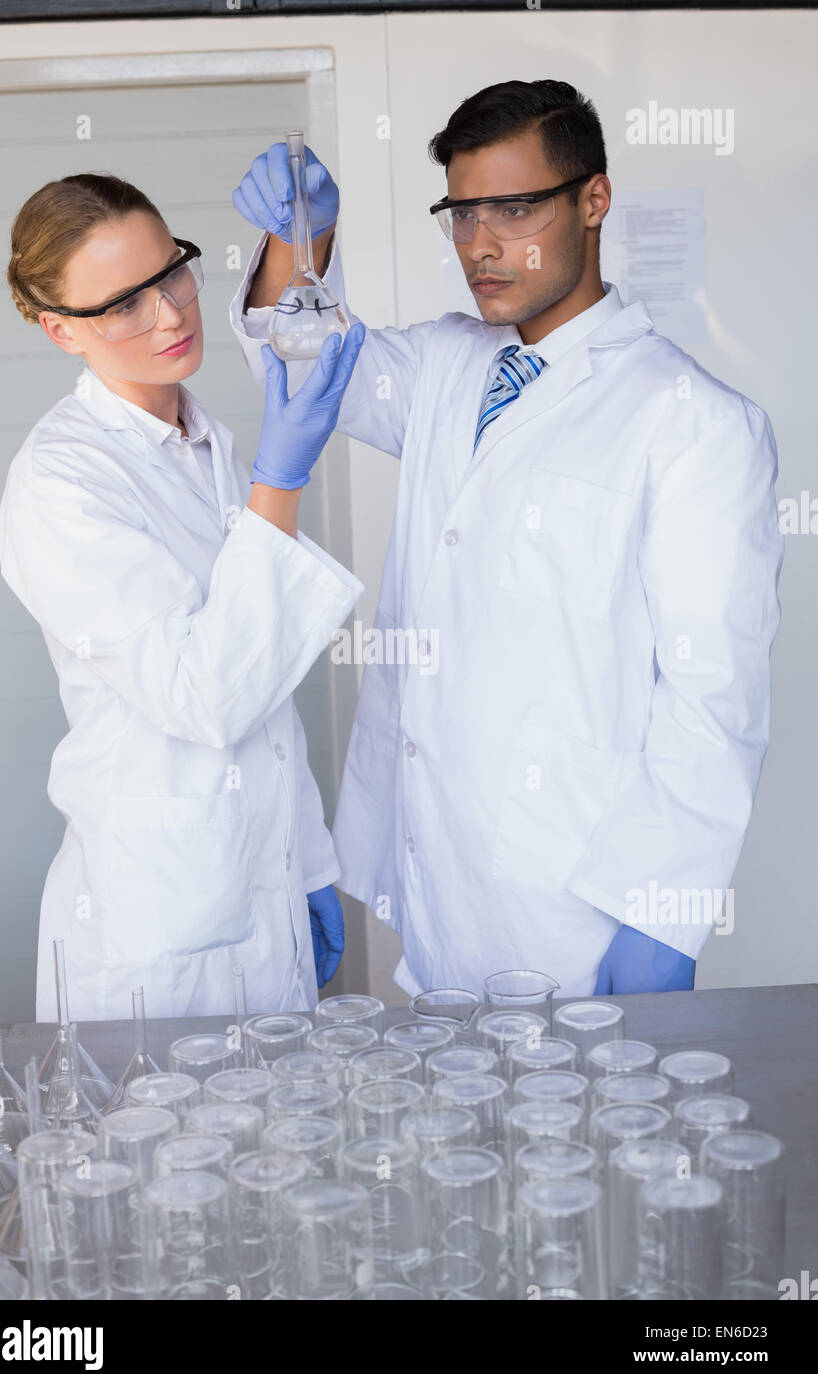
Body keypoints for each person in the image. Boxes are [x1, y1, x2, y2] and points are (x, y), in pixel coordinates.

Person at [230, 80, 783, 999]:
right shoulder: (452, 362)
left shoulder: (693, 421)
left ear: (592, 201)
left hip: (578, 900)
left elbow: (712, 699)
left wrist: (661, 914)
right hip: (438, 880)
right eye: (463, 211)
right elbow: (304, 358)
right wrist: (306, 239)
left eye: (516, 208)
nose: (481, 245)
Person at [0, 172, 366, 1022]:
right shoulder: (61, 481)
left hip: (257, 883)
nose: (169, 314)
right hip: (157, 936)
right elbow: (207, 695)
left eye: (171, 273)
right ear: (60, 330)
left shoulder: (202, 442)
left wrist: (306, 863)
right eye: (123, 304)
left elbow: (265, 688)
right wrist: (281, 482)